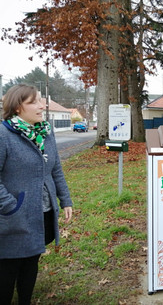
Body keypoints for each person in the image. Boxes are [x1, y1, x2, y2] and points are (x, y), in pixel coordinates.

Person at [0, 84, 73, 305]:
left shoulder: (45, 132)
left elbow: (56, 169)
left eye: (41, 100)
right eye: (34, 102)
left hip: (42, 213)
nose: (42, 106)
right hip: (13, 217)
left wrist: (65, 200)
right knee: (8, 268)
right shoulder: (4, 135)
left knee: (31, 262)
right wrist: (10, 205)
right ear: (17, 107)